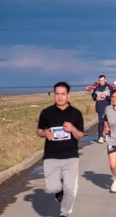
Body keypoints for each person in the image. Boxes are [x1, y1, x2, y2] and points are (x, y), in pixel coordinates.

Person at [37, 82, 84, 217]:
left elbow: (80, 136)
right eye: (57, 94)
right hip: (51, 156)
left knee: (70, 188)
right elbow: (39, 130)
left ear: (68, 95)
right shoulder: (46, 113)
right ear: (54, 95)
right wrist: (45, 134)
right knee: (53, 187)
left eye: (63, 94)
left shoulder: (76, 114)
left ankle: (65, 213)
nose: (60, 97)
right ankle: (59, 191)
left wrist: (72, 129)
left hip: (71, 156)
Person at [91, 75, 113, 143]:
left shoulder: (109, 87)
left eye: (102, 80)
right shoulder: (97, 88)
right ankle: (100, 137)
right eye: (100, 80)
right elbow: (93, 95)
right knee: (101, 122)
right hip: (99, 107)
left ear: (105, 80)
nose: (101, 82)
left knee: (108, 122)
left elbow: (112, 97)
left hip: (107, 107)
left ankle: (108, 135)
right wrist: (95, 98)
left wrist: (106, 96)